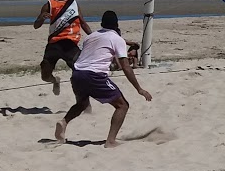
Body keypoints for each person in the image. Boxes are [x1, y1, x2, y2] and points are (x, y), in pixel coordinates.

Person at [55, 11, 152, 147]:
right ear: (116, 25)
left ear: (102, 24)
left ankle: (64, 122)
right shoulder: (117, 39)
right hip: (94, 76)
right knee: (122, 106)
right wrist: (139, 89)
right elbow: (125, 66)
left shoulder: (90, 37)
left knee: (82, 104)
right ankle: (110, 141)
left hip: (77, 74)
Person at [34, 0, 94, 95]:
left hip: (70, 43)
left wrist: (93, 37)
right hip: (54, 43)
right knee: (45, 76)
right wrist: (41, 18)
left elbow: (82, 22)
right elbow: (36, 25)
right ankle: (55, 80)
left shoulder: (73, 2)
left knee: (79, 71)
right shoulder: (49, 4)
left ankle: (84, 102)